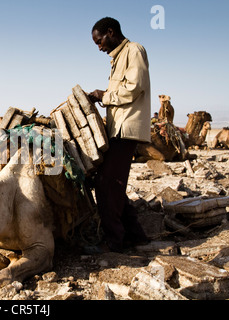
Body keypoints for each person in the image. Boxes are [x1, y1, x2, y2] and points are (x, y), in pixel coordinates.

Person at [86, 17, 150, 253]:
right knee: (113, 184)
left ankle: (115, 241)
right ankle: (135, 235)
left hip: (126, 129)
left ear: (110, 32)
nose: (99, 47)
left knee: (106, 185)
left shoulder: (134, 50)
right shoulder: (117, 58)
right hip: (117, 128)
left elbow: (134, 88)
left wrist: (103, 95)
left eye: (99, 41)